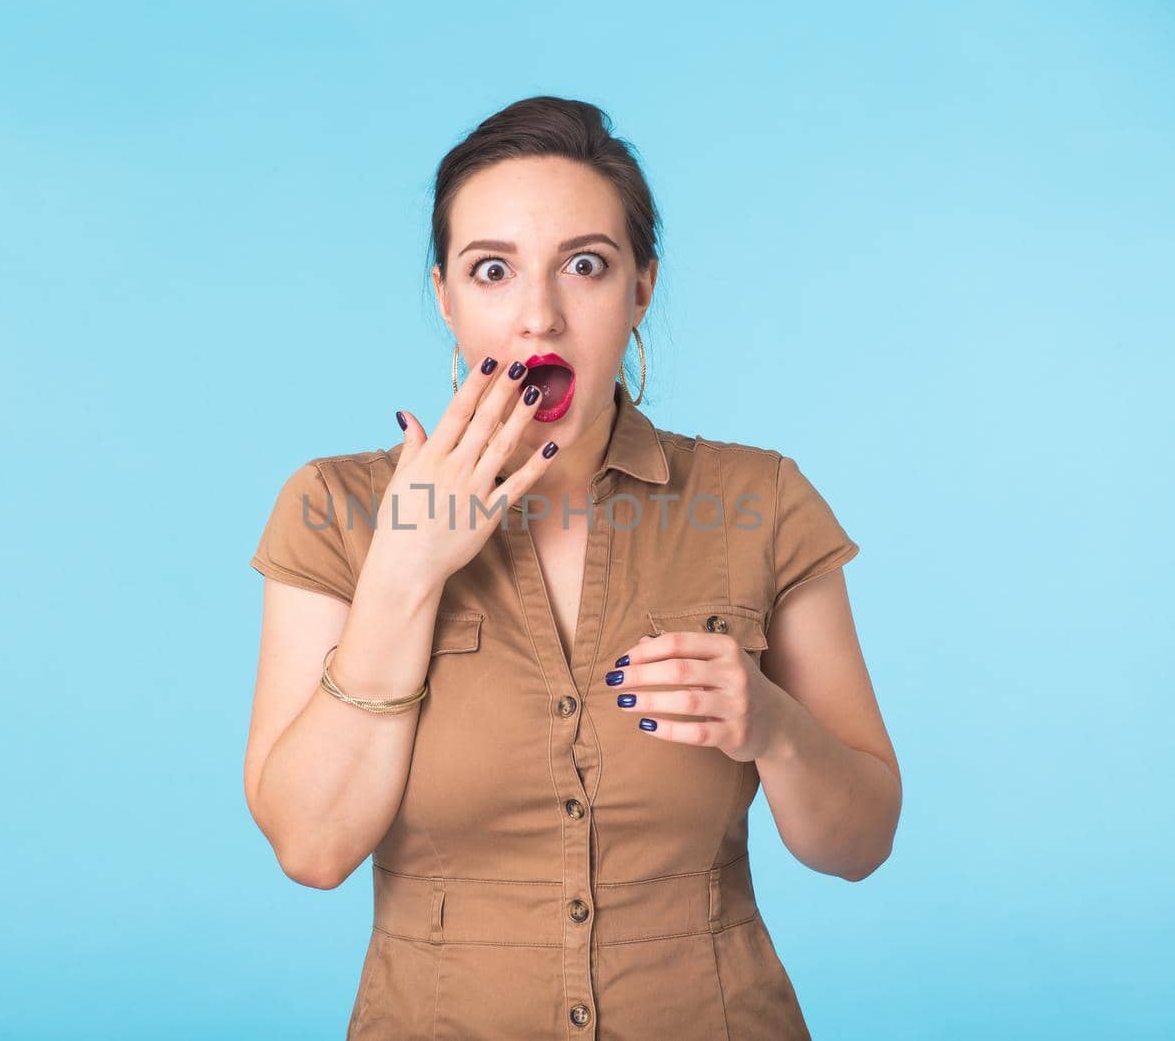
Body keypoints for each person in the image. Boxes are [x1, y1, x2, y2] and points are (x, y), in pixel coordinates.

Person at [243, 95, 901, 1040]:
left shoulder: (761, 501)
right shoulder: (333, 509)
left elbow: (862, 842)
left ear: (641, 288)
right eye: (493, 270)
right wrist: (404, 575)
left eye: (585, 266)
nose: (538, 317)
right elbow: (310, 847)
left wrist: (775, 727)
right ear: (444, 294)